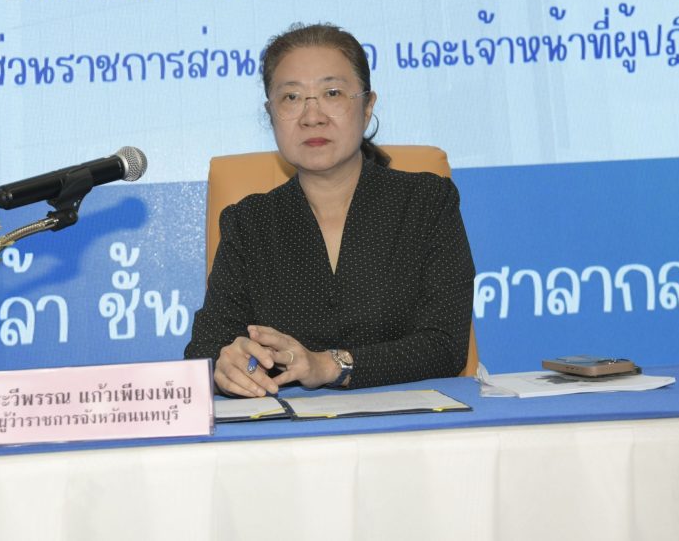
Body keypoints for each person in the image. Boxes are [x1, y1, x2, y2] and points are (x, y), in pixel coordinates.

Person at [184, 23, 475, 397]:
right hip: (289, 428)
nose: (312, 116)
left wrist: (329, 366)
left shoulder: (426, 202)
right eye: (291, 98)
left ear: (367, 107)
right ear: (271, 113)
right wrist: (228, 365)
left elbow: (445, 346)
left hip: (410, 422)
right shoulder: (248, 223)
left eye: (332, 93)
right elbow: (205, 351)